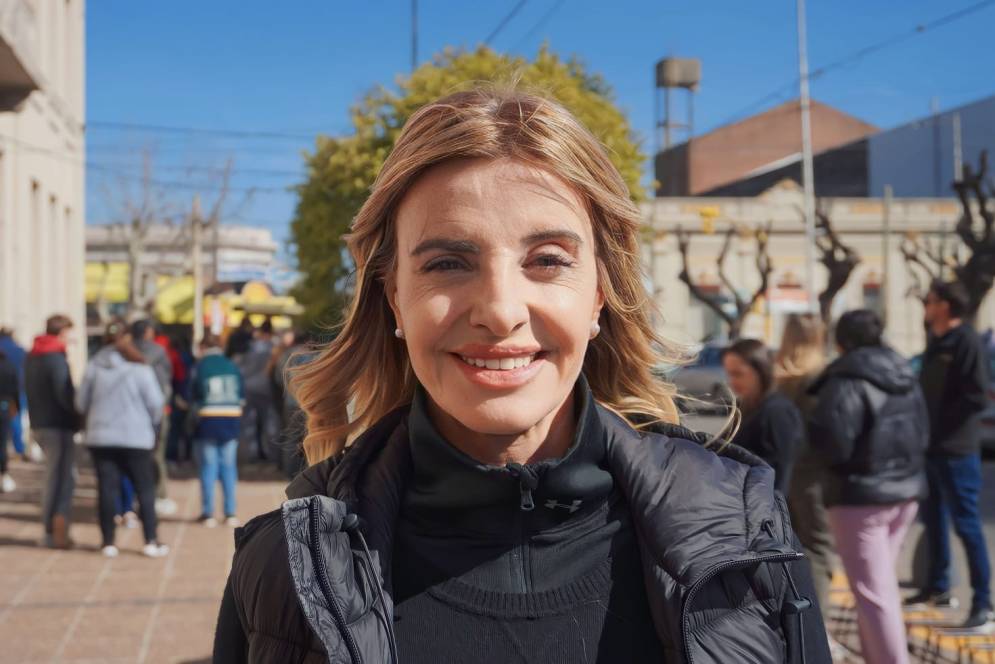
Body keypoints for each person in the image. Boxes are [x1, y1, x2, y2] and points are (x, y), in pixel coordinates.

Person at [213, 89, 830, 663]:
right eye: (449, 263)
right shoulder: (287, 569)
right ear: (395, 299)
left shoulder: (743, 533)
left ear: (599, 295)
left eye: (547, 261)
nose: (501, 311)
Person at [808, 309, 927, 664]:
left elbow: (832, 442)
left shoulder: (845, 378)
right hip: (905, 492)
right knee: (879, 590)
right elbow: (922, 430)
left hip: (861, 497)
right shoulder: (904, 370)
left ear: (841, 340)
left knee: (874, 595)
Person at [908, 280, 994, 628]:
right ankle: (938, 588)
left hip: (956, 450)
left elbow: (976, 396)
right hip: (931, 449)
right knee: (933, 520)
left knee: (967, 525)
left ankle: (984, 605)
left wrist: (943, 426)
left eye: (929, 301)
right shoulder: (937, 341)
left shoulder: (966, 341)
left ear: (944, 305)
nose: (925, 306)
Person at [76, 320, 168, 558]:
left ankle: (108, 542)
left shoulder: (94, 366)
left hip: (101, 436)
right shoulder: (140, 368)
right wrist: (150, 423)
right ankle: (150, 540)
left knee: (107, 489)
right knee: (145, 489)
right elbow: (156, 404)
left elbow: (80, 402)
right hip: (136, 437)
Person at [776, 314, 835, 620]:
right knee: (819, 550)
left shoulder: (779, 378)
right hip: (814, 476)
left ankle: (796, 622)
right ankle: (818, 628)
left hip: (782, 474)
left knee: (791, 547)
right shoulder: (822, 377)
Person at [24, 314, 80, 549]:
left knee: (52, 476)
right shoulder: (56, 358)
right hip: (58, 425)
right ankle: (56, 528)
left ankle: (52, 527)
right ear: (61, 333)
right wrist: (77, 416)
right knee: (63, 478)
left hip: (40, 423)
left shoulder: (33, 356)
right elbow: (63, 394)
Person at [721, 338, 803, 494]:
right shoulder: (744, 406)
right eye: (729, 374)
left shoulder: (778, 412)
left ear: (761, 371)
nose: (732, 382)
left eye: (738, 374)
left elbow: (781, 472)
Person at [189, 332, 243, 527]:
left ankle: (208, 512)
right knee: (229, 467)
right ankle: (230, 512)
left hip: (207, 419)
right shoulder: (232, 365)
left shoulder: (199, 366)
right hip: (231, 419)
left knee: (208, 466)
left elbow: (192, 394)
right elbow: (241, 394)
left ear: (203, 347)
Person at [131, 319, 177, 516]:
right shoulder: (159, 351)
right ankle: (159, 495)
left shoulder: (126, 352)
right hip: (157, 410)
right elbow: (168, 379)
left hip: (133, 411)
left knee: (134, 456)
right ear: (149, 332)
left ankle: (135, 497)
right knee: (157, 455)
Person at [238, 319, 279, 464]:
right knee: (268, 422)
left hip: (248, 387)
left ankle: (253, 453)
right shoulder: (274, 348)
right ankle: (268, 454)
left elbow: (241, 367)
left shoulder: (250, 347)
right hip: (266, 389)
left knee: (250, 422)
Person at [0, 327, 30, 462]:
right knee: (16, 419)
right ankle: (19, 448)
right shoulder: (19, 350)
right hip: (18, 390)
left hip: (3, 392)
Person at [0, 347, 20, 492]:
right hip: (5, 407)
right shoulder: (9, 366)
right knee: (2, 442)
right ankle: (4, 474)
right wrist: (16, 407)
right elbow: (15, 389)